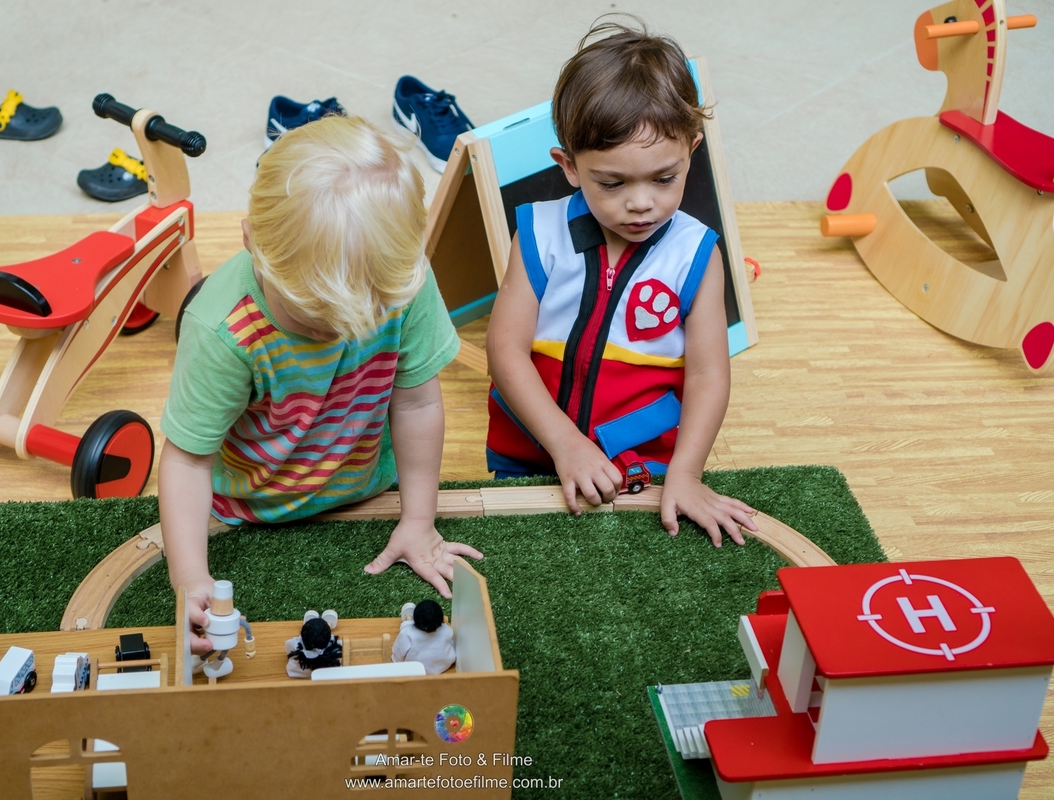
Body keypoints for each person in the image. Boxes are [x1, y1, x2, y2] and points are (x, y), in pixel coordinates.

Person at [159, 115, 482, 653]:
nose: (337, 332)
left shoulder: (400, 280)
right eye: (315, 321)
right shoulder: (223, 329)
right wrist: (190, 580)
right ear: (252, 242)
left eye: (363, 315)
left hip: (365, 492)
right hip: (248, 511)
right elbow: (187, 459)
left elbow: (418, 401)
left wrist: (420, 519)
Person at [485, 21, 758, 547]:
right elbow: (505, 349)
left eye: (664, 178)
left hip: (648, 468)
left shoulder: (698, 253)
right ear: (568, 166)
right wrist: (565, 444)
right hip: (530, 459)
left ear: (691, 152)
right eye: (612, 183)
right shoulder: (538, 234)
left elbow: (708, 376)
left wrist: (687, 473)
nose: (640, 203)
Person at [391, 600, 456, 674]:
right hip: (443, 666)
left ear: (415, 619)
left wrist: (397, 661)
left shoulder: (407, 634)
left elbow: (398, 652)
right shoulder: (447, 630)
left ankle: (408, 619)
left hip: (415, 669)